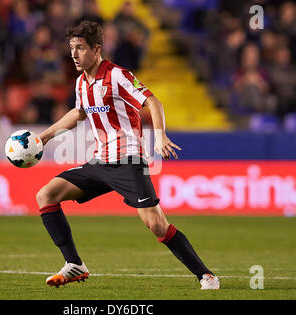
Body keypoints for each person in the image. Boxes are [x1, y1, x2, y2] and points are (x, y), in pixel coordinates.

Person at [36, 21, 219, 290]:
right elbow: (79, 113)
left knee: (156, 225)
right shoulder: (80, 83)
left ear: (96, 49)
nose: (74, 54)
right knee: (46, 195)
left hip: (128, 162)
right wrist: (46, 136)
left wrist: (161, 136)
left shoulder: (118, 75)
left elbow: (152, 101)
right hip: (99, 162)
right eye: (71, 48)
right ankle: (74, 264)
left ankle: (206, 275)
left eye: (80, 48)